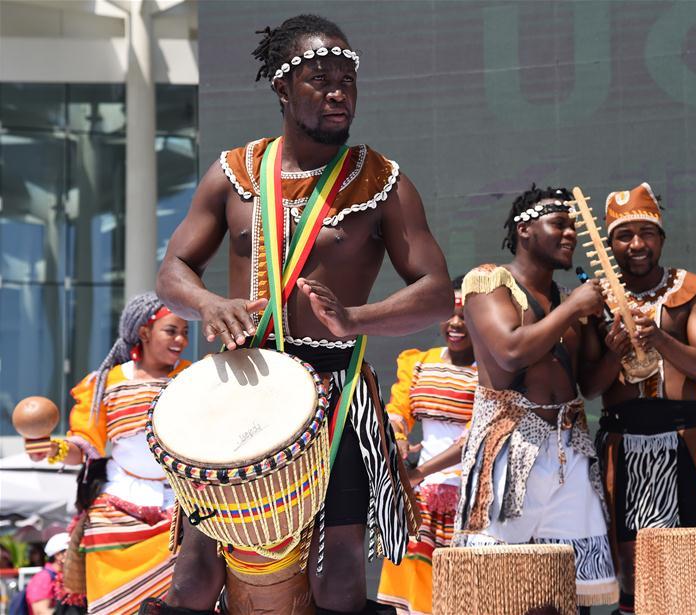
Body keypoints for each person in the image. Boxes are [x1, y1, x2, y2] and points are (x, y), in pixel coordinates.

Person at [150, 13, 452, 615]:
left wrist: (357, 320)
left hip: (335, 391)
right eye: (321, 78)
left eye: (348, 79)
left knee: (338, 582)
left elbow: (439, 291)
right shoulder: (233, 174)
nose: (340, 91)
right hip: (241, 383)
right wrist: (211, 302)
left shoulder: (382, 182)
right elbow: (172, 272)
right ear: (283, 89)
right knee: (194, 580)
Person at [453, 185, 619, 610]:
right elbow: (509, 351)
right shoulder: (488, 282)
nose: (570, 235)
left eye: (573, 227)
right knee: (496, 587)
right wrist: (573, 309)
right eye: (559, 224)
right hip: (508, 449)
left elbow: (590, 386)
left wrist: (617, 347)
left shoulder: (568, 300)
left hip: (570, 449)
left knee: (562, 588)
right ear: (525, 230)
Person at [583, 183, 696, 615]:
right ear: (609, 243)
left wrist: (658, 337)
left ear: (662, 239)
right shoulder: (596, 302)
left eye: (646, 233)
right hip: (623, 442)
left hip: (686, 437)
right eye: (624, 235)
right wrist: (615, 352)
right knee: (633, 571)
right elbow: (590, 387)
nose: (636, 244)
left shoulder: (693, 289)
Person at [24, 293, 189, 614]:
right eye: (171, 330)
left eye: (185, 331)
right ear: (144, 332)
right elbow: (84, 447)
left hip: (181, 505)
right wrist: (51, 449)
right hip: (116, 508)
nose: (181, 339)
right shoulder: (106, 382)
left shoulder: (193, 377)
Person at [377, 276, 478, 615]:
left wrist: (418, 473)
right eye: (450, 313)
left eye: (466, 315)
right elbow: (398, 411)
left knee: (463, 597)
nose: (455, 323)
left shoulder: (492, 371)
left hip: (471, 497)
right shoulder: (419, 361)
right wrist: (400, 439)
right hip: (422, 499)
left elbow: (475, 438)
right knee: (415, 600)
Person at [24, 533, 68, 615]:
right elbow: (40, 612)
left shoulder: (62, 575)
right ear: (58, 555)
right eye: (72, 551)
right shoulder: (43, 578)